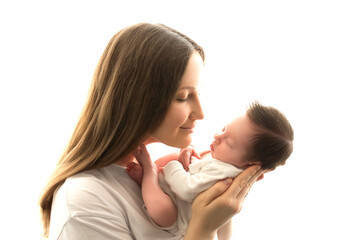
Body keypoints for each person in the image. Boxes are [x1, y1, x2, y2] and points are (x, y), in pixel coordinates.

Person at [39, 23, 265, 240]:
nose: (200, 112)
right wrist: (203, 229)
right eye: (184, 97)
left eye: (198, 94)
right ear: (138, 100)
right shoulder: (86, 201)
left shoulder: (157, 173)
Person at [127, 102, 294, 239]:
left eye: (229, 143)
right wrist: (191, 155)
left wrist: (173, 166)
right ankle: (149, 181)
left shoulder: (225, 174)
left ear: (250, 163)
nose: (217, 136)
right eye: (223, 130)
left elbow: (187, 189)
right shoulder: (229, 167)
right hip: (181, 205)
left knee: (163, 212)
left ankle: (149, 171)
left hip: (178, 219)